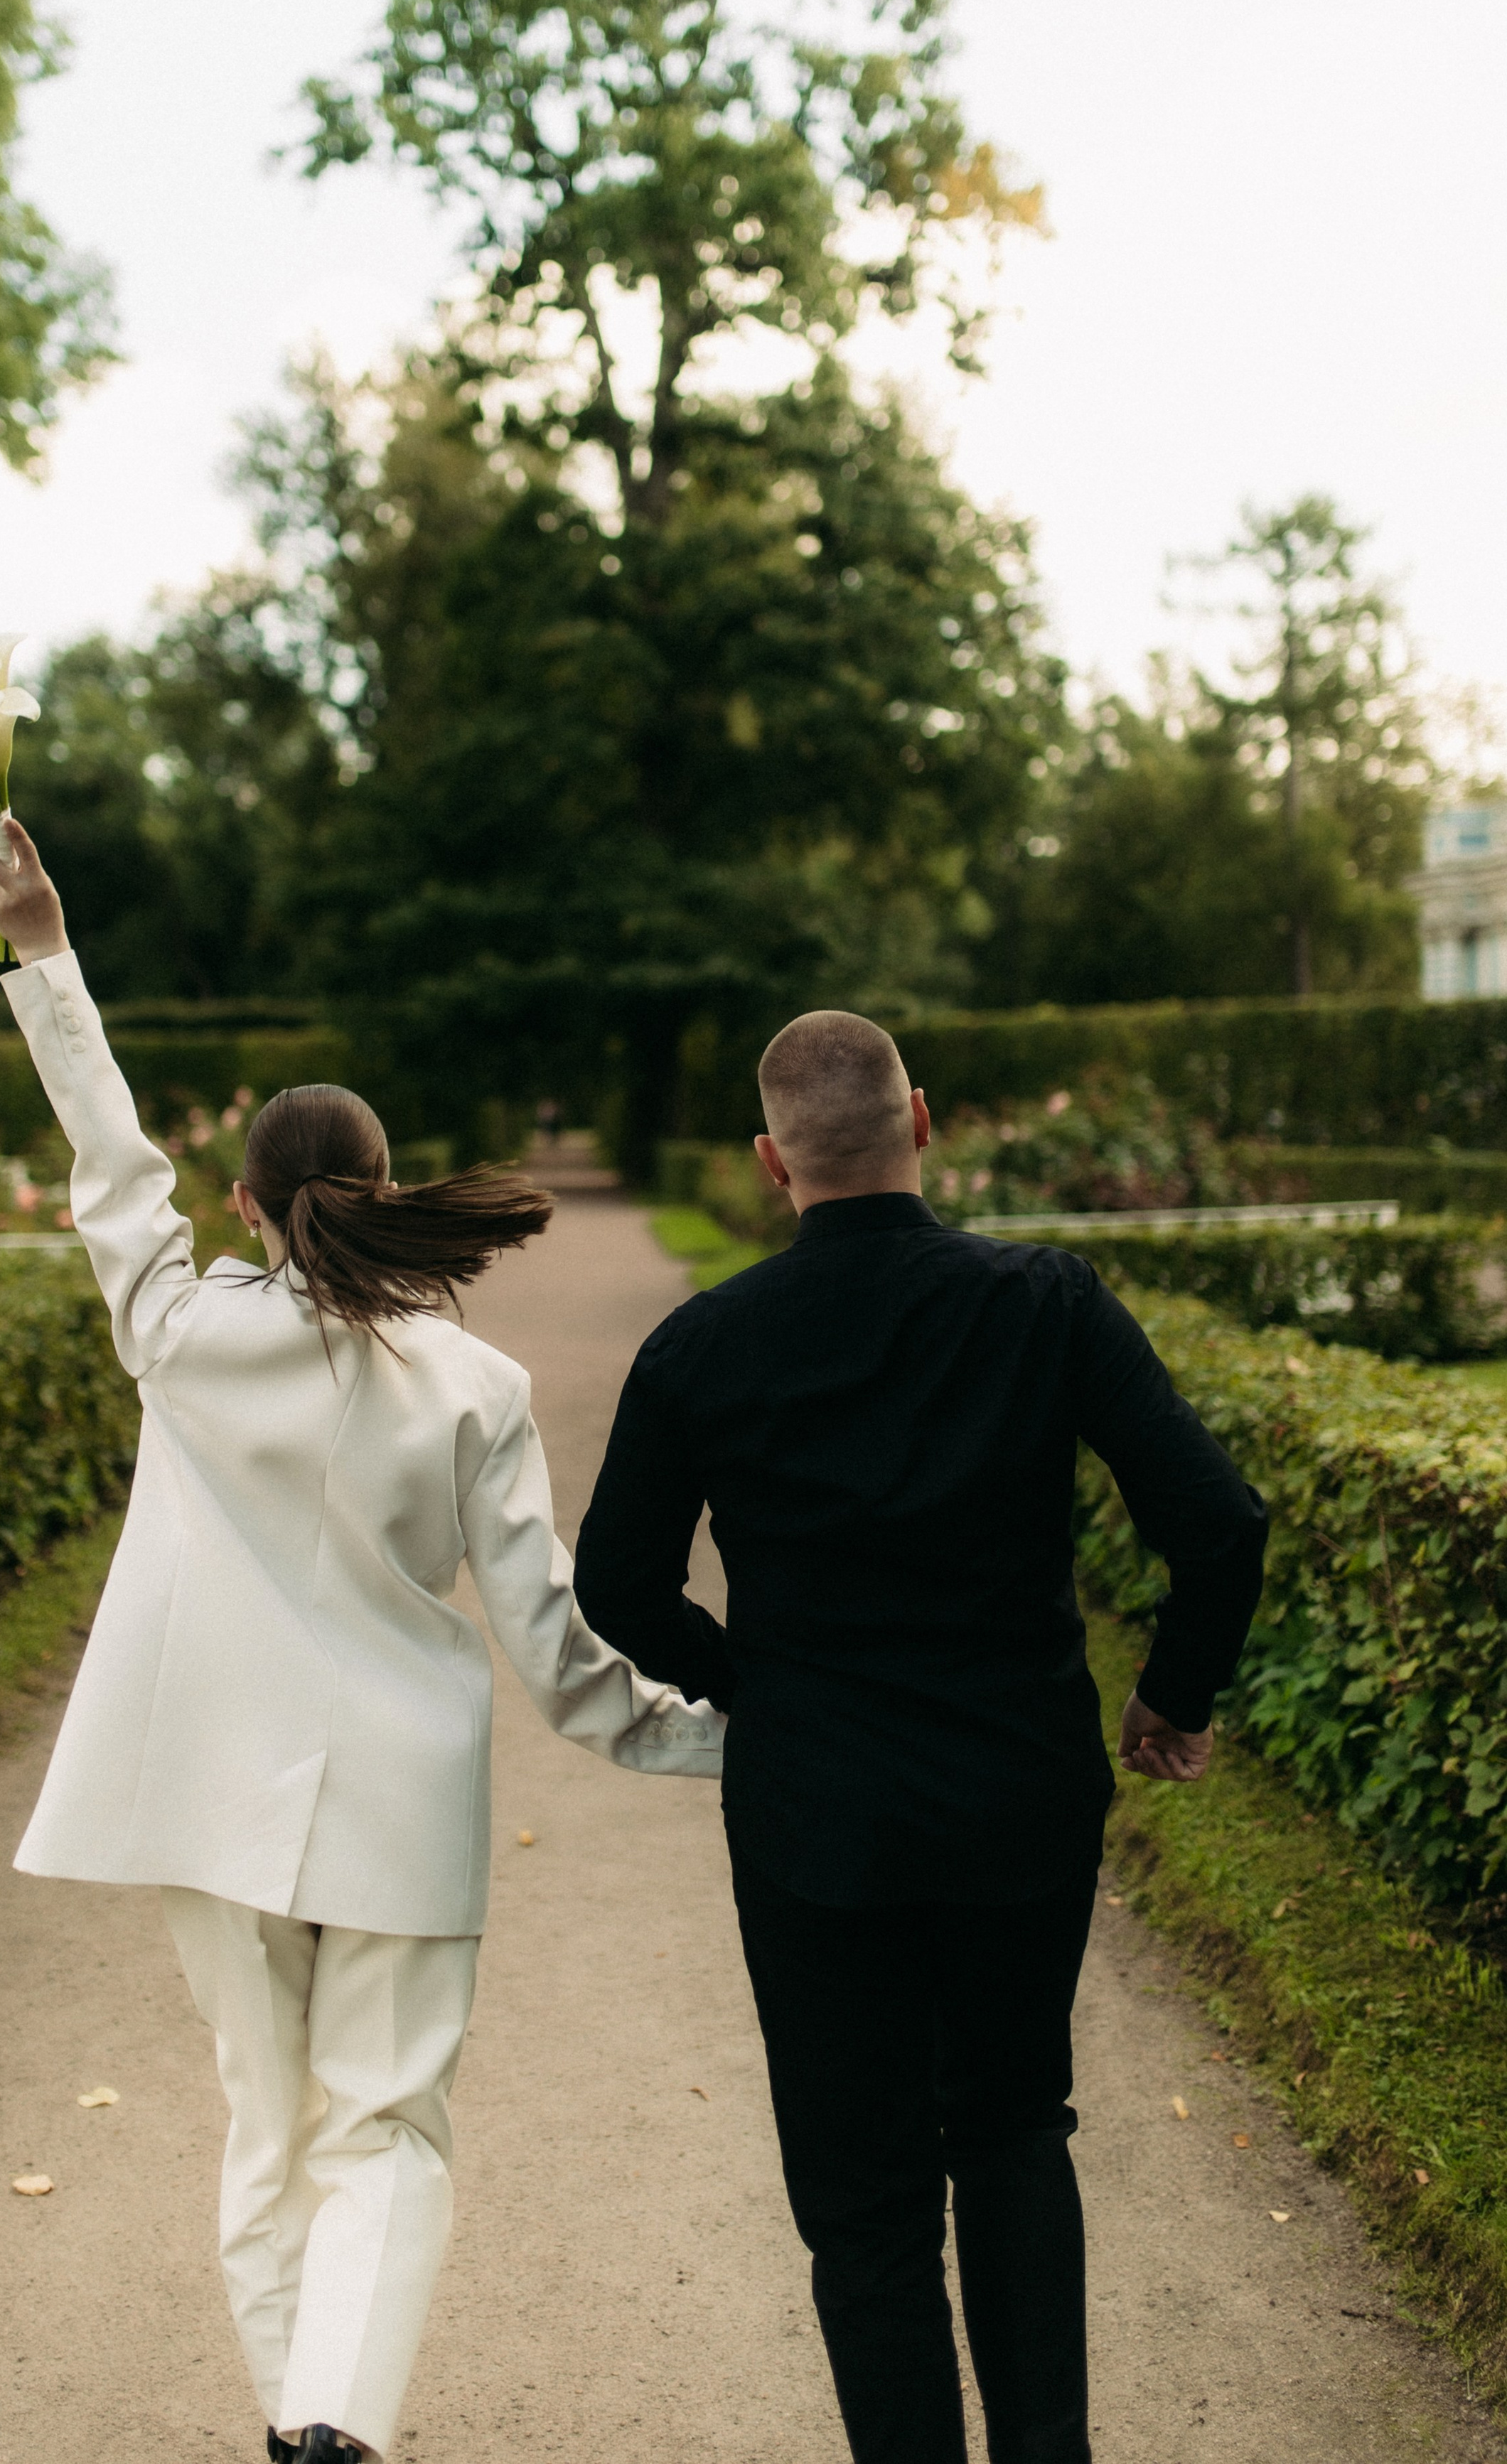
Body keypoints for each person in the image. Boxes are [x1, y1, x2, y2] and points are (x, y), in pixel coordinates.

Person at [0, 823, 726, 2464]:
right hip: (394, 1800)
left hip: (207, 1805)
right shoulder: (475, 1388)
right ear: (383, 1199)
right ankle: (335, 2425)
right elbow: (554, 1644)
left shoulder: (179, 1336)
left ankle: (297, 2431)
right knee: (384, 2134)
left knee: (267, 2127)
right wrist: (722, 1737)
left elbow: (112, 1170)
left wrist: (46, 948)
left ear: (246, 1204)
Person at [574, 1009, 1267, 2464]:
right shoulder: (1045, 1302)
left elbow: (615, 1583)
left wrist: (751, 1681)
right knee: (1014, 2128)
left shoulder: (702, 1345)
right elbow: (1216, 1522)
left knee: (865, 2201)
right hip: (1017, 1794)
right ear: (924, 1121)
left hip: (816, 1815)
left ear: (769, 1162)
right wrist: (1169, 1696)